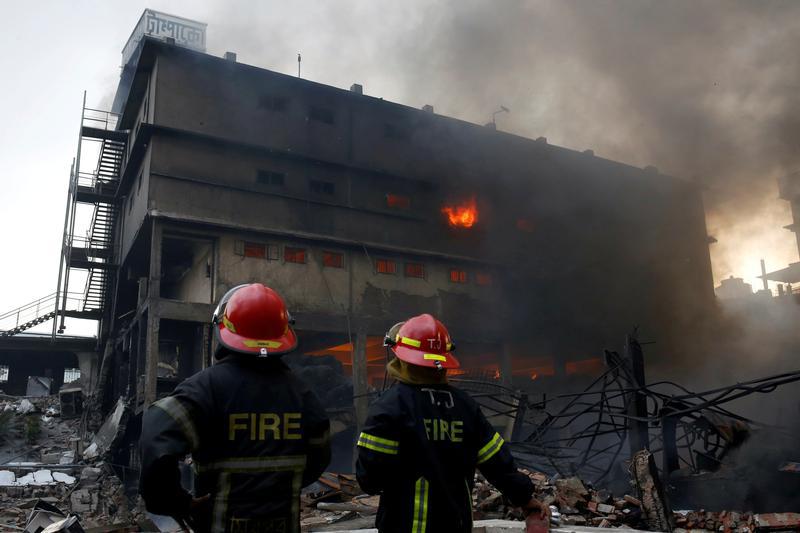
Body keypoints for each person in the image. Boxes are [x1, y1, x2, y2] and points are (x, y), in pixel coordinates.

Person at [140, 283, 331, 533]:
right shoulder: (303, 395)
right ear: (284, 333)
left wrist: (176, 502)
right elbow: (319, 459)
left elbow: (156, 436)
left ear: (223, 328)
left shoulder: (205, 390)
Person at [356, 313, 548, 532]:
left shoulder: (390, 407)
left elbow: (369, 479)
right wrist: (525, 499)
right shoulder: (465, 406)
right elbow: (497, 465)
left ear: (401, 358)